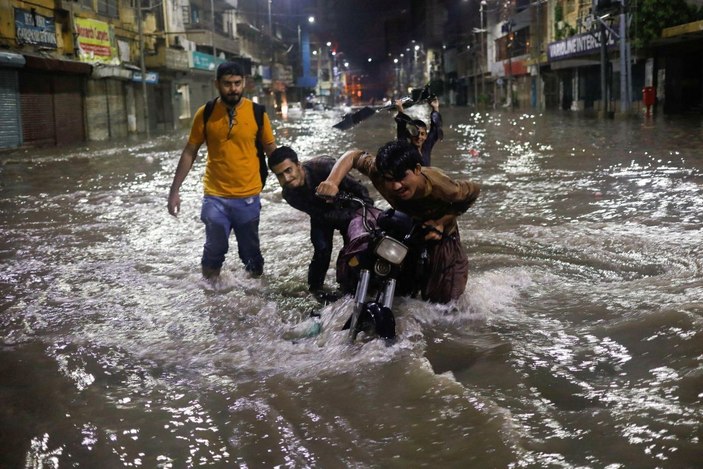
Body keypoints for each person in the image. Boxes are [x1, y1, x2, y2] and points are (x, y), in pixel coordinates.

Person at [316, 140, 480, 304]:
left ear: (417, 169)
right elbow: (353, 156)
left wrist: (441, 222)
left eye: (402, 177)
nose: (395, 186)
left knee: (444, 303)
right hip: (408, 225)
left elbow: (472, 192)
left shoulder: (440, 184)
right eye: (389, 179)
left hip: (439, 236)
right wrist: (332, 181)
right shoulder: (379, 171)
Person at [167, 62, 277, 280]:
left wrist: (292, 182)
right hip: (215, 196)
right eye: (227, 84)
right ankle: (211, 295)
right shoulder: (205, 113)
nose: (233, 89)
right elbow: (190, 151)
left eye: (237, 83)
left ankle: (256, 298)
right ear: (216, 84)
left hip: (248, 196)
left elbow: (272, 151)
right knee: (214, 250)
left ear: (244, 82)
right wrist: (174, 190)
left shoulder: (257, 114)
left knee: (251, 255)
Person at [268, 146, 374, 295]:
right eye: (279, 175)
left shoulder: (325, 167)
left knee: (354, 251)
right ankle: (315, 291)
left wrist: (365, 220)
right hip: (322, 215)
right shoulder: (288, 193)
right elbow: (318, 214)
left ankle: (355, 288)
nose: (286, 178)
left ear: (298, 165)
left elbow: (362, 192)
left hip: (351, 209)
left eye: (288, 170)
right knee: (321, 250)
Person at [395, 96, 443, 166]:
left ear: (426, 136)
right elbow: (401, 130)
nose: (419, 137)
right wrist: (400, 111)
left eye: (422, 134)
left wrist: (435, 108)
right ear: (410, 135)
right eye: (415, 133)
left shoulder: (426, 147)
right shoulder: (406, 149)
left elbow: (435, 128)